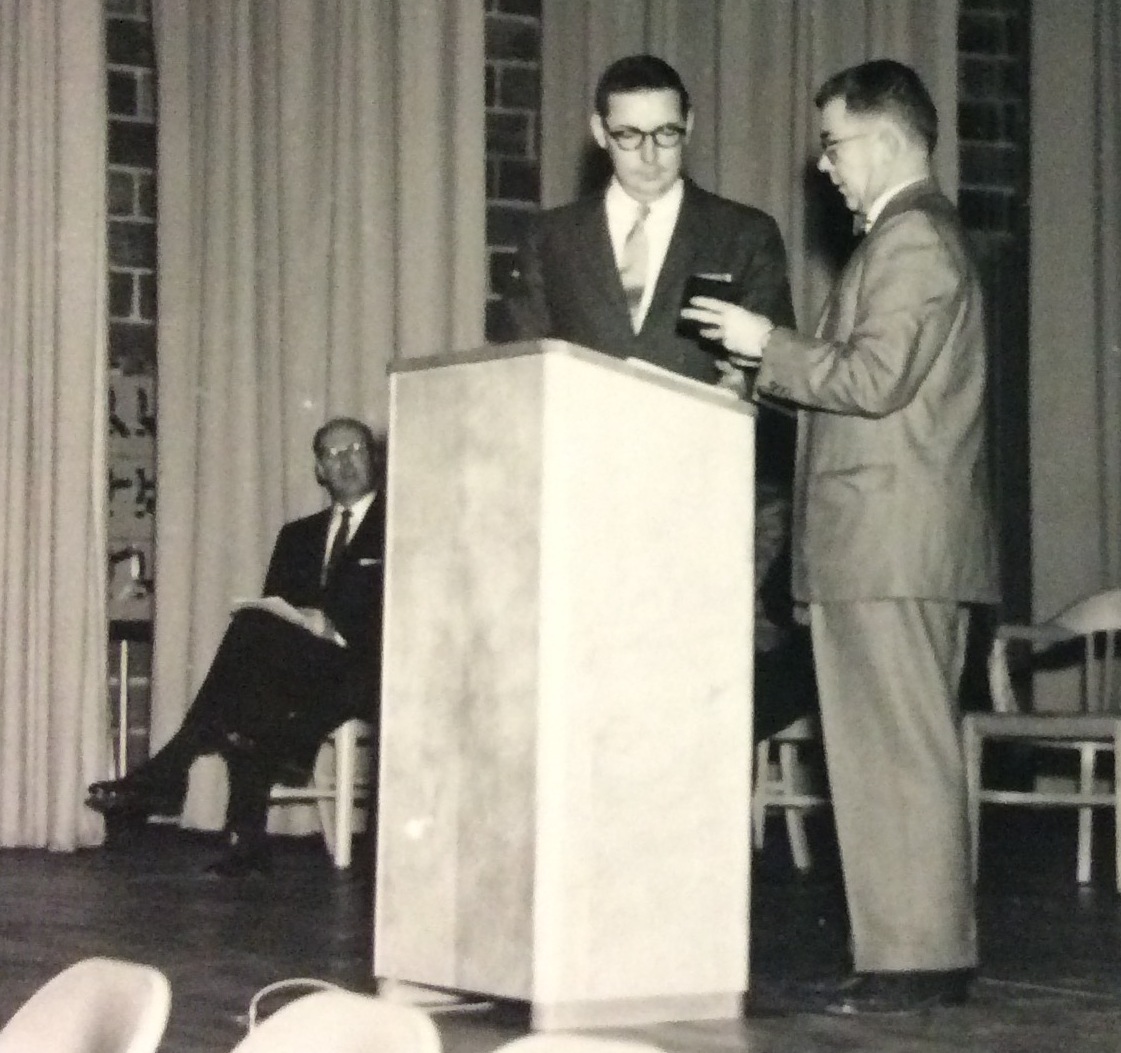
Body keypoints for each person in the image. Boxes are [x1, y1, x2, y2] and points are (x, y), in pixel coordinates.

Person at [683, 59, 1000, 1014]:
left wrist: (761, 342)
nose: (823, 166)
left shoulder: (911, 241)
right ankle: (909, 952)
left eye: (833, 144)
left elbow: (870, 381)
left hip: (890, 546)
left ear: (888, 138)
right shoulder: (907, 238)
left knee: (894, 752)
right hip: (887, 543)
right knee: (886, 752)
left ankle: (916, 958)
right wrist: (765, 365)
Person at [503, 52, 810, 741]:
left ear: (690, 126)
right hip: (585, 512)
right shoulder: (551, 237)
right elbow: (522, 371)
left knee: (685, 713)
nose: (648, 155)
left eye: (665, 134)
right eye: (628, 136)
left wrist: (746, 387)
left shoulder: (743, 231)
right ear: (597, 131)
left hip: (700, 510)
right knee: (590, 708)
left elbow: (780, 372)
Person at [87, 417, 386, 878]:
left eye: (355, 450)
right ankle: (242, 824)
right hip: (299, 670)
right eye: (333, 454)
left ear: (374, 458)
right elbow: (275, 617)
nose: (346, 462)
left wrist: (333, 627)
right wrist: (299, 624)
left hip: (364, 668)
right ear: (319, 471)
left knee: (248, 678)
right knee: (251, 664)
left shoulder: (400, 524)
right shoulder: (298, 536)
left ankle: (176, 780)